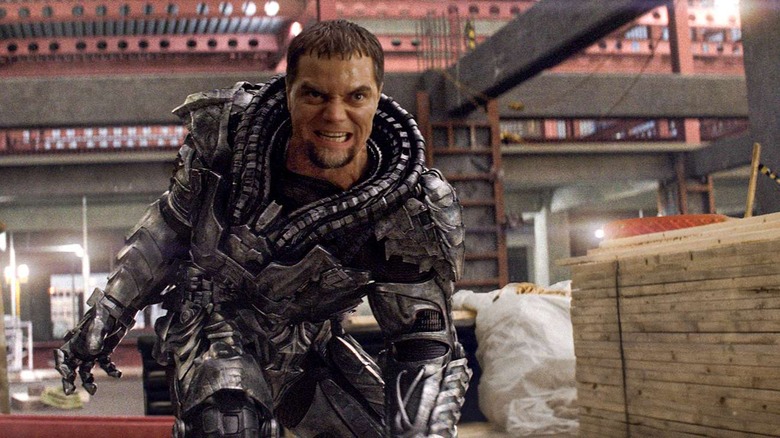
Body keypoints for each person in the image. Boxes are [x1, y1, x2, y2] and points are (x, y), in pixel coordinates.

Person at [55, 19, 470, 438]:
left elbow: (423, 341)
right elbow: (169, 228)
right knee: (228, 421)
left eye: (356, 96)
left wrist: (420, 430)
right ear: (289, 92)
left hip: (305, 346)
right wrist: (109, 312)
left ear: (377, 97)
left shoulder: (407, 207)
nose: (334, 115)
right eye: (315, 94)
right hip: (215, 323)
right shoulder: (229, 137)